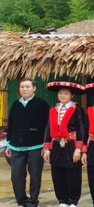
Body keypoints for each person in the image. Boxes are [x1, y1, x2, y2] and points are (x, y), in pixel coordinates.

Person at [5, 78, 50, 207]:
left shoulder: (42, 104)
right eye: (22, 87)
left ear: (34, 88)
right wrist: (9, 143)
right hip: (16, 147)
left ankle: (33, 201)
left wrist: (46, 145)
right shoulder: (15, 104)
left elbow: (47, 126)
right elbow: (11, 125)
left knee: (35, 176)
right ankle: (21, 201)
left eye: (27, 87)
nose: (24, 89)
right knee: (16, 176)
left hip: (36, 146)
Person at [43, 81, 87, 207]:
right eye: (60, 93)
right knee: (57, 172)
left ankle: (73, 200)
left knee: (72, 173)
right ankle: (62, 200)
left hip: (71, 145)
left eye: (66, 93)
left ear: (72, 95)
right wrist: (47, 148)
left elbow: (81, 129)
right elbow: (48, 128)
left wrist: (79, 149)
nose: (62, 95)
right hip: (56, 145)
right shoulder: (54, 109)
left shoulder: (77, 109)